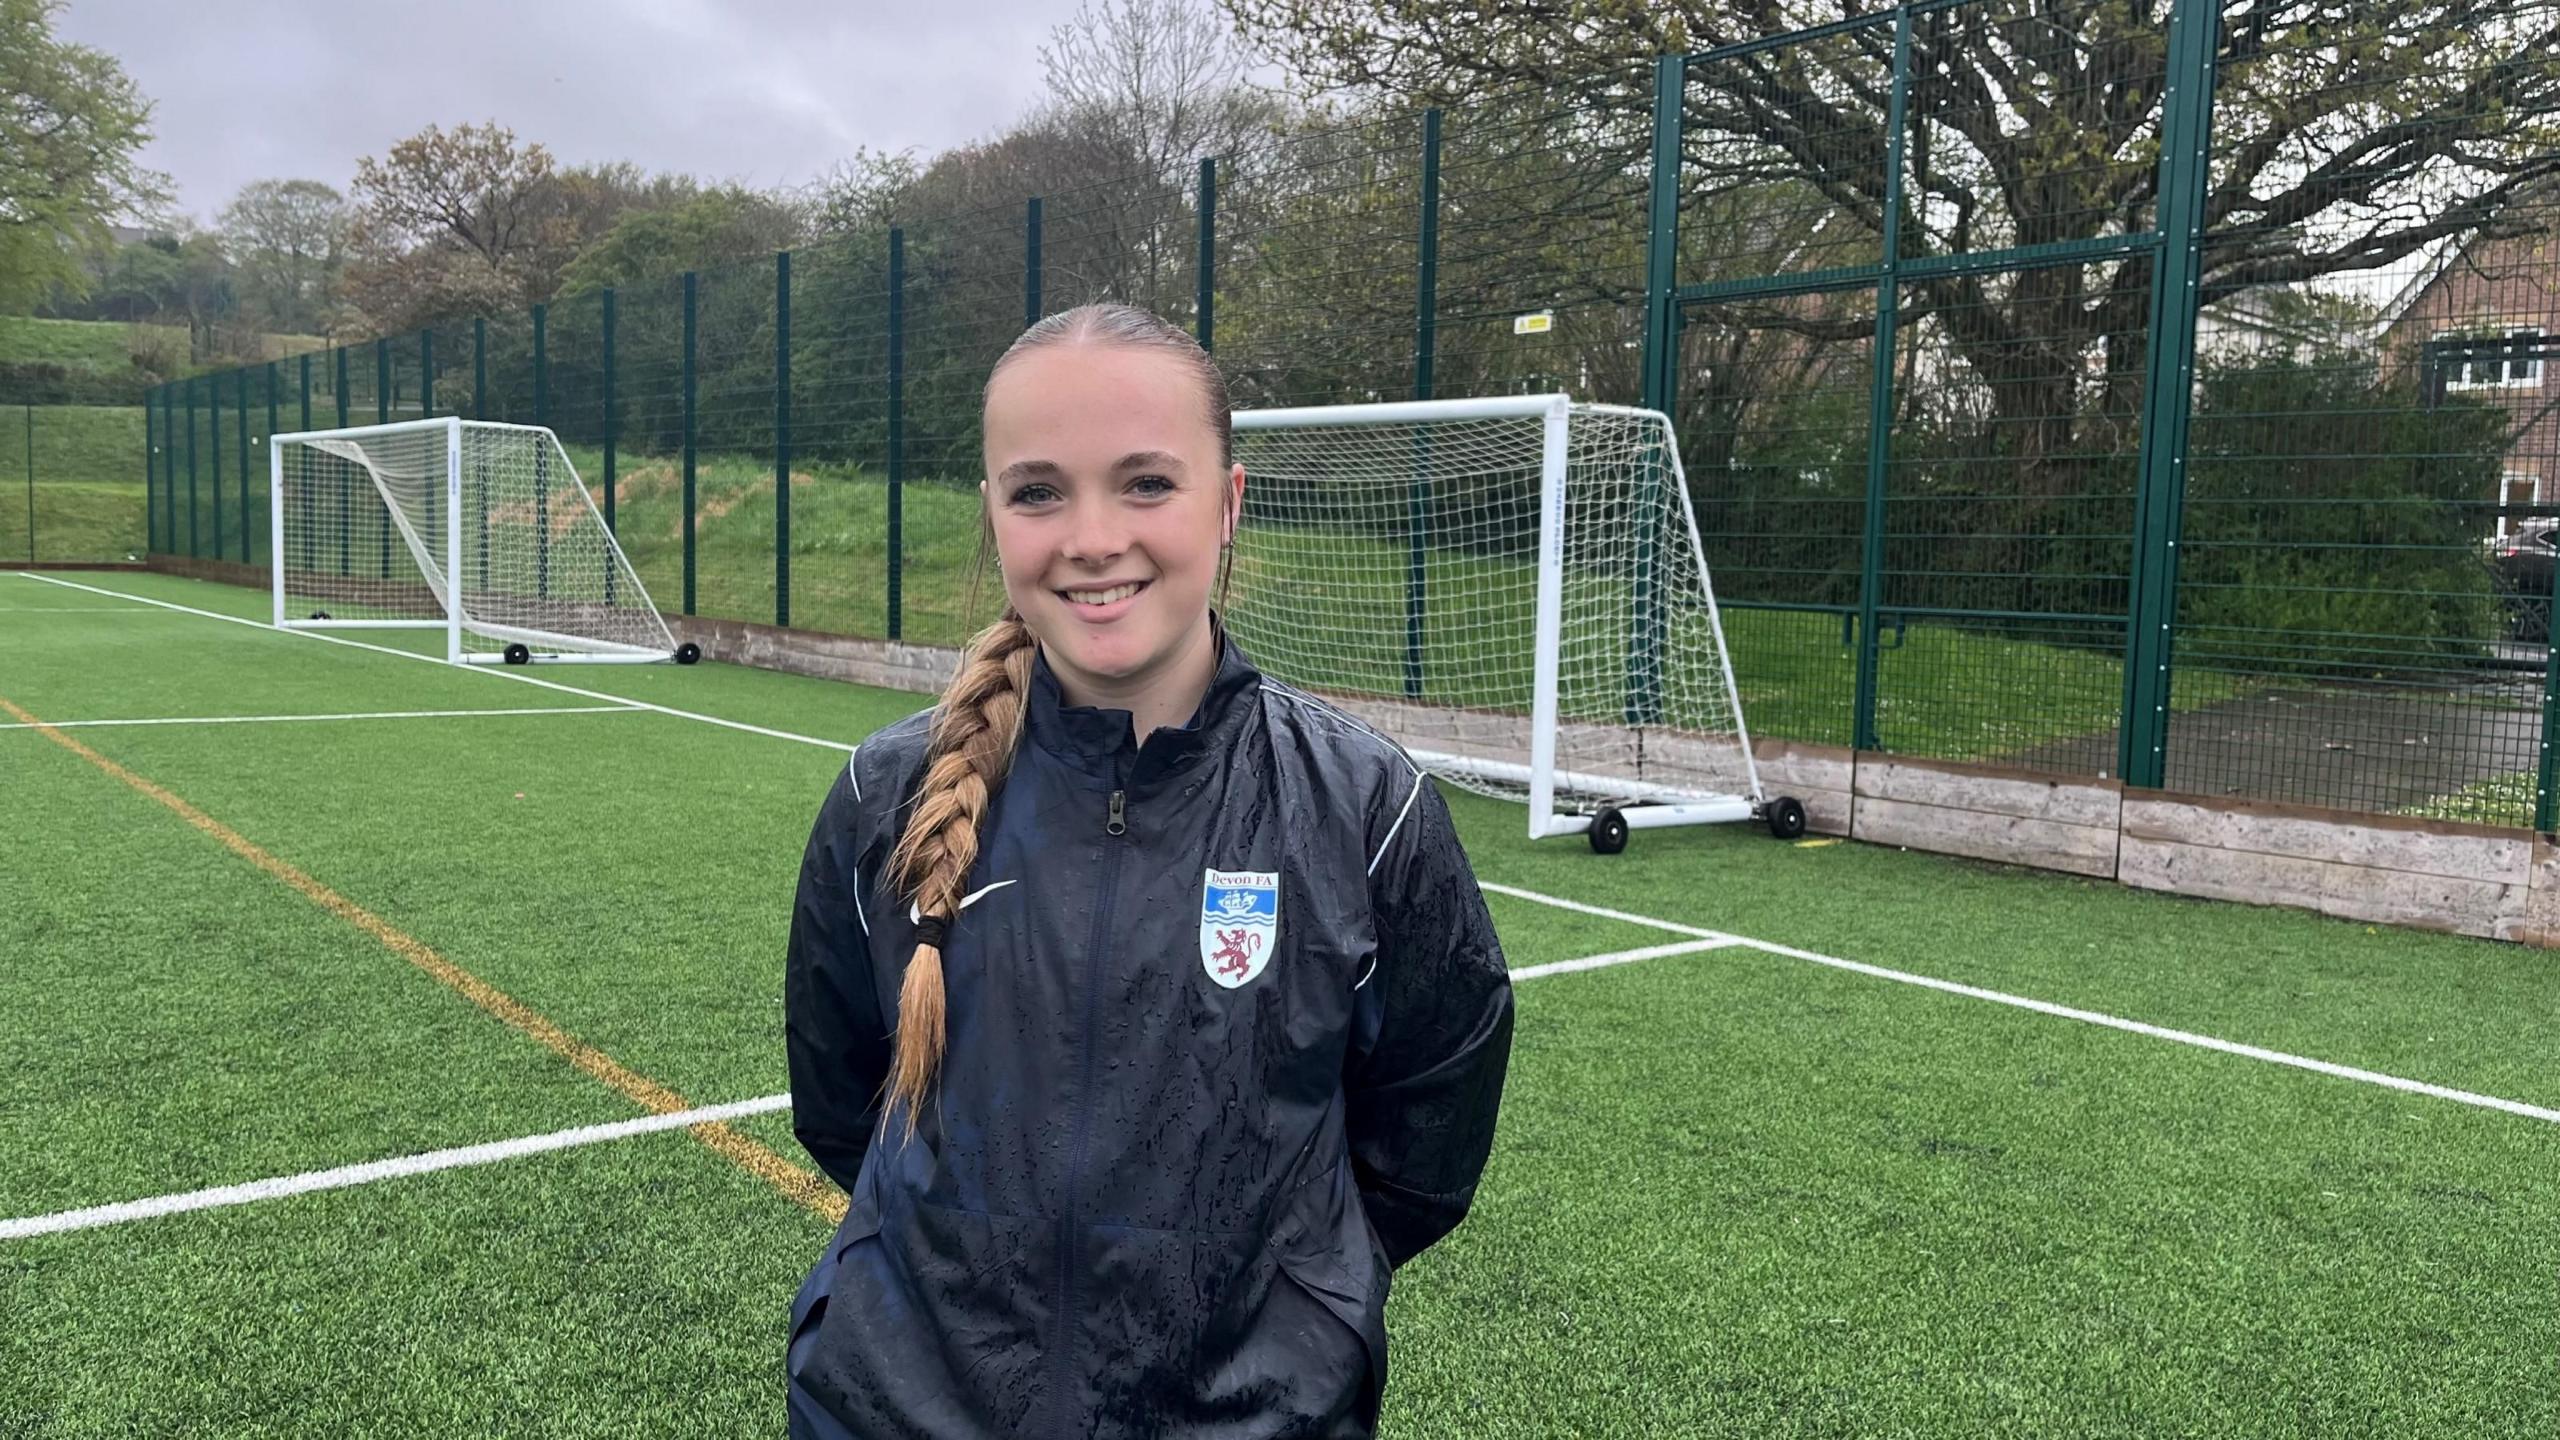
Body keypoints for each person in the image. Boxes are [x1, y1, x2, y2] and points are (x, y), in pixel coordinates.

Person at [783, 302, 1514, 1439]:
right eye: (1037, 491)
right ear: (993, 513)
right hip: (896, 1407)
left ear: (1227, 505)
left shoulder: (1364, 808)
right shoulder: (885, 799)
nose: (1090, 537)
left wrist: (1300, 1305)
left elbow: (1426, 1132)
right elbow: (839, 1096)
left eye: (1145, 484)